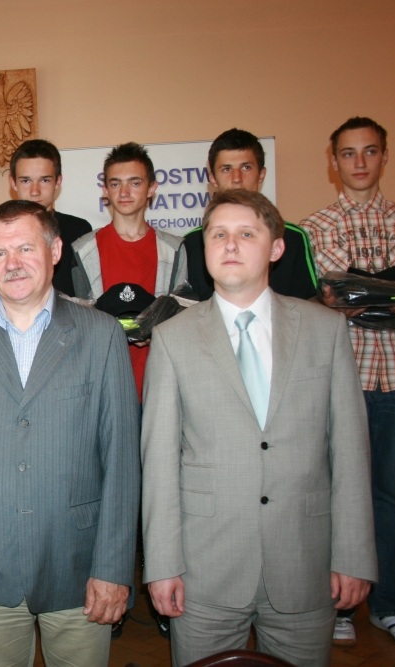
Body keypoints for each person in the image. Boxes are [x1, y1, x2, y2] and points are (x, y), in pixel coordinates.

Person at [142, 189, 376, 666]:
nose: (230, 244)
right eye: (218, 235)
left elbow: (350, 451)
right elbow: (159, 463)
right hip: (205, 570)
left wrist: (353, 555)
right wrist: (161, 564)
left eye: (246, 234)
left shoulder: (325, 330)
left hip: (304, 563)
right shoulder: (171, 338)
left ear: (276, 247)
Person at [0, 200, 140, 667]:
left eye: (25, 248)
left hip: (78, 565)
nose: (12, 263)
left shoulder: (102, 335)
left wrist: (114, 567)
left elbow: (122, 459)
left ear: (55, 250)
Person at [301, 116, 395, 650]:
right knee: (335, 494)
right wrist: (386, 297)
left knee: (393, 498)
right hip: (338, 380)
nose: (359, 162)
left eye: (370, 151)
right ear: (333, 162)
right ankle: (338, 605)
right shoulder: (313, 229)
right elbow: (317, 304)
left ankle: (391, 605)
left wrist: (369, 297)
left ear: (384, 156)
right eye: (349, 153)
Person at [71, 142, 187, 402]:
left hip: (161, 384)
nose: (124, 192)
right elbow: (80, 324)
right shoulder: (83, 250)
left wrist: (154, 331)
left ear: (151, 188)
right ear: (105, 189)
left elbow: (183, 321)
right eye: (115, 183)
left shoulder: (175, 249)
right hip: (103, 385)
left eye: (135, 183)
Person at [182, 128, 319, 300]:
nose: (236, 178)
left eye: (246, 167)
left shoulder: (292, 236)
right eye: (226, 169)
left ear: (261, 174)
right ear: (213, 178)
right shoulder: (191, 242)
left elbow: (307, 303)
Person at [9, 139, 91, 296]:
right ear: (13, 183)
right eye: (26, 181)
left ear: (58, 181)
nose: (35, 191)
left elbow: (87, 293)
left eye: (44, 180)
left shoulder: (79, 229)